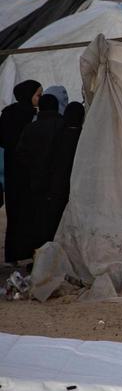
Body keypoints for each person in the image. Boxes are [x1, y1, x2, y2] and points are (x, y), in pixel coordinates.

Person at [15, 92, 65, 248]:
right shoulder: (63, 126)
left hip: (36, 180)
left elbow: (20, 153)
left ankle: (39, 255)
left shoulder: (31, 128)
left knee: (38, 218)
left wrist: (34, 167)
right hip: (60, 182)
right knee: (57, 219)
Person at [0, 80, 41, 263]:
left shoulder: (8, 114)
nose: (39, 99)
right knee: (28, 212)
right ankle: (26, 252)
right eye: (38, 95)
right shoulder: (30, 117)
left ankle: (12, 254)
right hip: (26, 171)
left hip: (11, 170)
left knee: (14, 212)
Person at [46, 101, 83, 238]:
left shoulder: (58, 135)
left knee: (55, 219)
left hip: (57, 184)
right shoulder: (84, 136)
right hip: (77, 185)